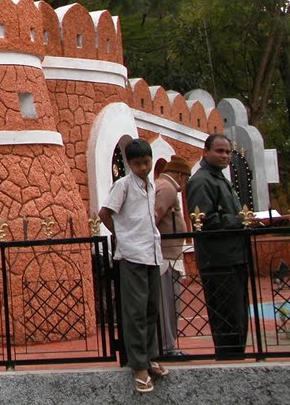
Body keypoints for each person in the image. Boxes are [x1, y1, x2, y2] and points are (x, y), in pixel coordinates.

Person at [98, 138, 168, 393]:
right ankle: (138, 364)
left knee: (151, 309)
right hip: (132, 255)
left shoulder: (150, 186)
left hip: (151, 254)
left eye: (146, 162)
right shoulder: (124, 185)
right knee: (135, 311)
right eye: (137, 163)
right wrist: (122, 234)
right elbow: (104, 213)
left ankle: (149, 357)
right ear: (129, 163)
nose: (143, 167)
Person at [186, 133, 250, 359]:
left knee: (239, 317)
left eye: (228, 152)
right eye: (220, 151)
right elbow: (204, 221)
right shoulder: (201, 181)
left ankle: (236, 359)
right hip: (219, 261)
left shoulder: (221, 179)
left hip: (235, 257)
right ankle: (228, 361)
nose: (225, 155)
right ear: (206, 152)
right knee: (226, 318)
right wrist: (240, 221)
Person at [154, 154, 193, 357]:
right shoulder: (167, 188)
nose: (185, 184)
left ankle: (166, 345)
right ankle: (167, 347)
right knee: (168, 303)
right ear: (180, 175)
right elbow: (153, 216)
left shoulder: (162, 185)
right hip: (166, 256)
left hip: (169, 255)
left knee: (169, 302)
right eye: (185, 178)